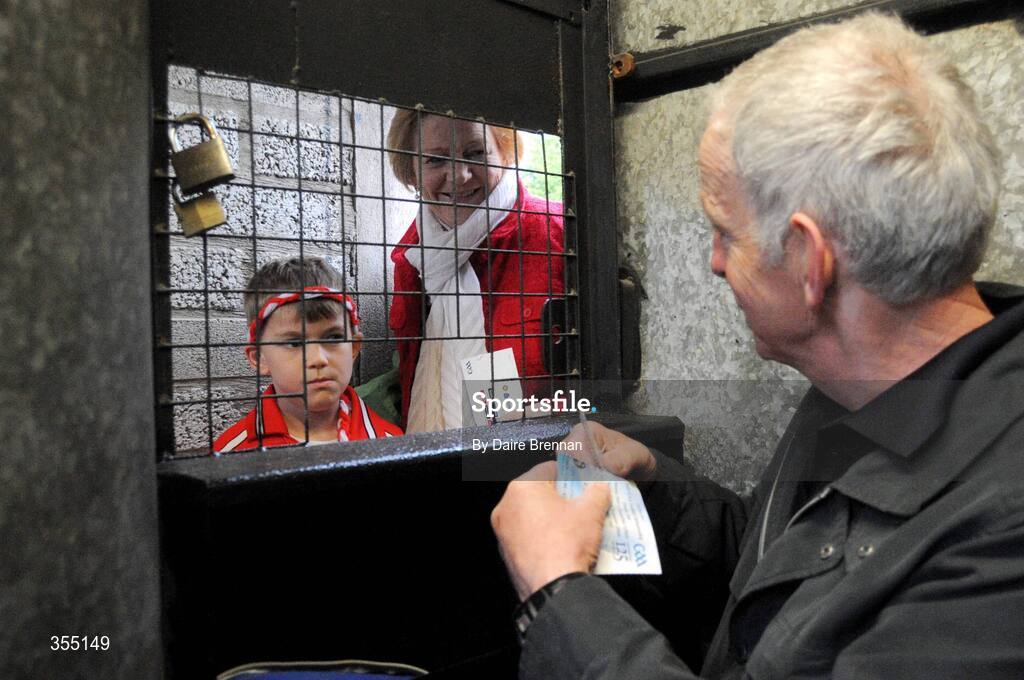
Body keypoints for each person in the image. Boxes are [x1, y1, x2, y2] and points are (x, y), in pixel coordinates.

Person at [491, 13, 1024, 679]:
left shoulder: (999, 548)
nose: (715, 262)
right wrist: (657, 493)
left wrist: (559, 599)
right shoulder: (860, 385)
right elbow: (788, 586)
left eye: (726, 232)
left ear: (809, 261)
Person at [387, 111, 565, 432]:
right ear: (410, 169)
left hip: (540, 462)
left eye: (475, 153)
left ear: (506, 152)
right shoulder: (412, 257)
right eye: (434, 160)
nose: (459, 176)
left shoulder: (559, 234)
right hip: (440, 464)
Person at [214, 257, 402, 453]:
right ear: (260, 358)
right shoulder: (231, 455)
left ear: (354, 348)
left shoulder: (392, 444)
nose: (318, 359)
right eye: (294, 343)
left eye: (333, 338)